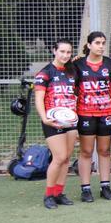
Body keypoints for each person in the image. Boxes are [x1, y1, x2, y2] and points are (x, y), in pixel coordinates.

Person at [74, 31, 111, 202]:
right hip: (85, 113)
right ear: (88, 45)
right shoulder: (77, 65)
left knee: (104, 150)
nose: (101, 46)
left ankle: (105, 186)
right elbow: (70, 88)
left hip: (106, 113)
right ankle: (85, 189)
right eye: (97, 43)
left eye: (103, 43)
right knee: (86, 151)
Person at [35, 39, 79, 209]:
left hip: (70, 119)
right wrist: (44, 117)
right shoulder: (45, 73)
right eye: (62, 52)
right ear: (54, 51)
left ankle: (59, 193)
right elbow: (38, 98)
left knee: (66, 158)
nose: (65, 55)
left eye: (68, 52)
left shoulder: (72, 71)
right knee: (59, 157)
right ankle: (48, 195)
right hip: (52, 120)